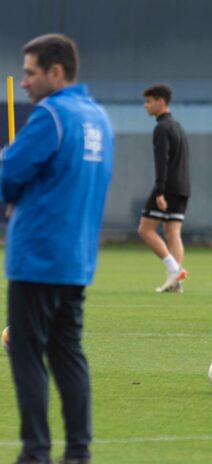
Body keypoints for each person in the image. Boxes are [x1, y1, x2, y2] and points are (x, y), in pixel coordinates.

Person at [0, 33, 113, 464]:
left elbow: (9, 173)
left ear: (56, 71)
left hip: (36, 258)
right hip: (76, 258)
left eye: (30, 73)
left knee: (26, 354)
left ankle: (35, 452)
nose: (24, 82)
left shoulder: (51, 114)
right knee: (69, 354)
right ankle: (79, 453)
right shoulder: (98, 118)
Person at [137, 83, 191, 293]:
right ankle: (175, 283)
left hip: (168, 187)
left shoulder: (162, 128)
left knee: (145, 229)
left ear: (161, 102)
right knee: (172, 232)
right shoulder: (177, 126)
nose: (146, 106)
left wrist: (160, 191)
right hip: (183, 186)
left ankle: (174, 269)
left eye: (149, 101)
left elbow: (162, 161)